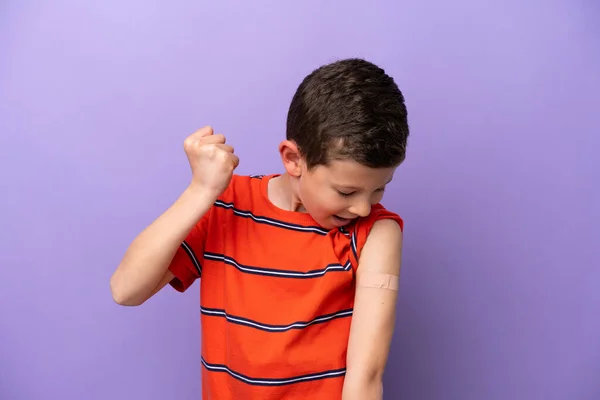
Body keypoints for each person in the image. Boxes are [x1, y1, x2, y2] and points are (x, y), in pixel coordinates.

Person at [110, 58, 409, 400]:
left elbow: (366, 377)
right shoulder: (225, 203)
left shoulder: (375, 233)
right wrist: (201, 191)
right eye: (346, 191)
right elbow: (125, 290)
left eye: (379, 188)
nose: (363, 207)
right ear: (294, 159)